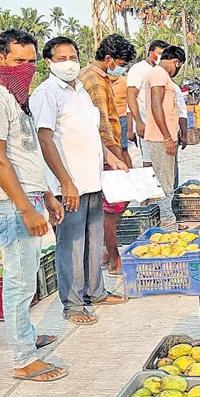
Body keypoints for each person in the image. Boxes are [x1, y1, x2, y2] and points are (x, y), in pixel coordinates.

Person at [31, 36, 129, 326]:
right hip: (68, 182)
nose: (69, 63)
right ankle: (72, 303)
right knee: (71, 244)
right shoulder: (46, 93)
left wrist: (111, 158)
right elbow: (45, 139)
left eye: (72, 56)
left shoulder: (81, 92)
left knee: (92, 238)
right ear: (48, 62)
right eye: (61, 59)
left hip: (92, 179)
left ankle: (95, 292)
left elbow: (91, 132)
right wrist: (65, 182)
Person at [0, 28, 67, 382]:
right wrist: (26, 207)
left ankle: (25, 337)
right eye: (16, 61)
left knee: (24, 279)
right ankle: (23, 359)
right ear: (1, 59)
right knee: (19, 282)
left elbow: (26, 155)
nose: (24, 67)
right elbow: (0, 161)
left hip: (28, 196)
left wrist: (47, 195)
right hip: (12, 203)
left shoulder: (17, 98)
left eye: (29, 61)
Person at [78, 34, 136, 275]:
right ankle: (114, 259)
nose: (121, 70)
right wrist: (115, 157)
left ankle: (106, 252)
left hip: (103, 150)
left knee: (113, 205)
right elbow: (101, 124)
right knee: (113, 208)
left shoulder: (94, 76)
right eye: (121, 64)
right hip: (104, 152)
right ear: (109, 59)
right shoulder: (95, 81)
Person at [144, 45, 186, 231]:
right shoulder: (159, 74)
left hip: (166, 136)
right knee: (164, 181)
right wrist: (167, 137)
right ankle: (168, 223)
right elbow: (156, 105)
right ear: (176, 62)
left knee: (167, 178)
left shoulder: (162, 76)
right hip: (160, 137)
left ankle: (169, 221)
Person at [126, 40, 169, 168]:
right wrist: (137, 123)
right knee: (149, 161)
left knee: (163, 160)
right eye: (160, 54)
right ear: (151, 53)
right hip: (146, 123)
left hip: (160, 123)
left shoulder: (162, 70)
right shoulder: (139, 69)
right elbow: (131, 96)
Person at [111, 71, 132, 167]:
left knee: (122, 149)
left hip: (121, 118)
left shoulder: (123, 81)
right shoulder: (102, 80)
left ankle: (129, 172)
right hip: (109, 119)